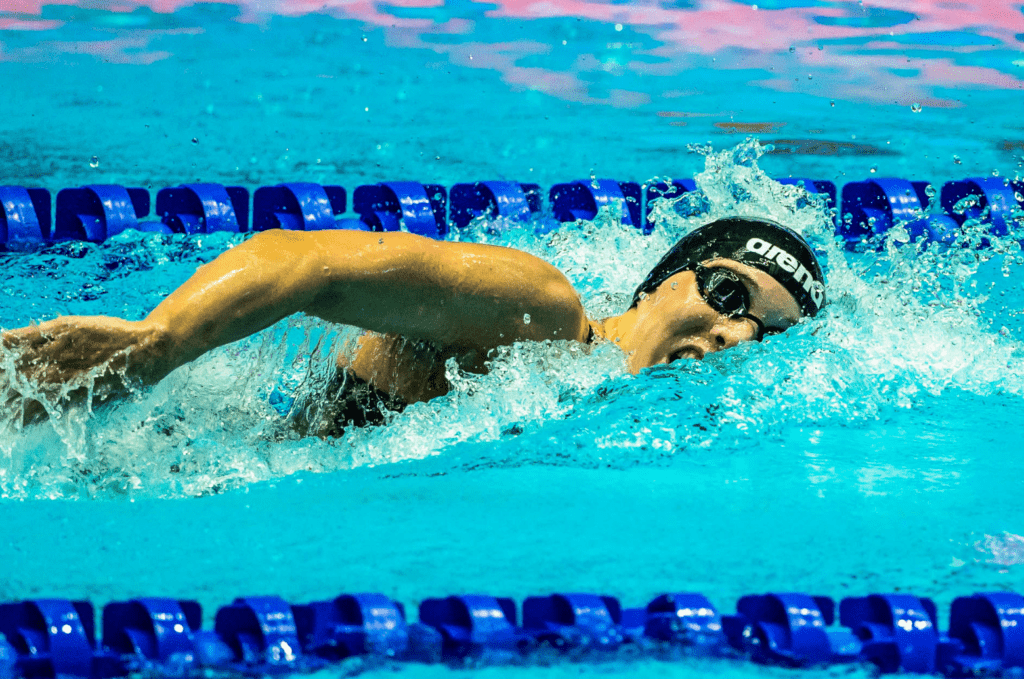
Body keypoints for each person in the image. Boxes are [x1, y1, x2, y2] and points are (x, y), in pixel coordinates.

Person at [0, 216, 825, 434]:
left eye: (769, 332)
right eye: (728, 293)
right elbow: (304, 262)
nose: (739, 334)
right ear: (660, 282)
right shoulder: (536, 312)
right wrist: (158, 346)